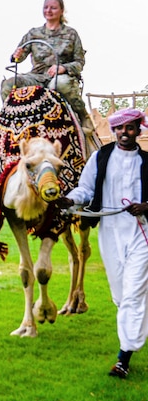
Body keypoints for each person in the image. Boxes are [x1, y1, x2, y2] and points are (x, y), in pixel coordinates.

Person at [55, 108, 148, 379]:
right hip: (110, 232)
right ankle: (135, 329)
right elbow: (86, 189)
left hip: (141, 233)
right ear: (114, 130)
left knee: (132, 294)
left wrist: (146, 206)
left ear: (138, 130)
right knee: (122, 296)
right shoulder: (101, 157)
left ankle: (123, 358)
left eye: (129, 128)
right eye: (119, 128)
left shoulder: (147, 161)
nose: (124, 133)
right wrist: (71, 200)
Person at [1, 0, 91, 133]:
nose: (49, 11)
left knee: (59, 84)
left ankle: (83, 116)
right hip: (36, 77)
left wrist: (63, 68)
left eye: (53, 8)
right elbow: (18, 57)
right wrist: (16, 56)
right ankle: (9, 120)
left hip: (60, 77)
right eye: (46, 7)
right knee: (9, 84)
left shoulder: (71, 34)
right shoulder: (33, 33)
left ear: (61, 11)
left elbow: (80, 62)